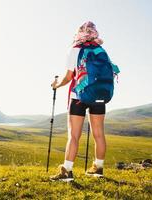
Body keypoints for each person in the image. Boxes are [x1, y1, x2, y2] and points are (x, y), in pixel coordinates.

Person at [50, 21, 107, 182]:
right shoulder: (100, 49)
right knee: (99, 133)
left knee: (74, 135)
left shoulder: (75, 49)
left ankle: (67, 171)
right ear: (94, 32)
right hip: (99, 95)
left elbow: (68, 77)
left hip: (78, 97)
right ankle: (98, 168)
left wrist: (56, 85)